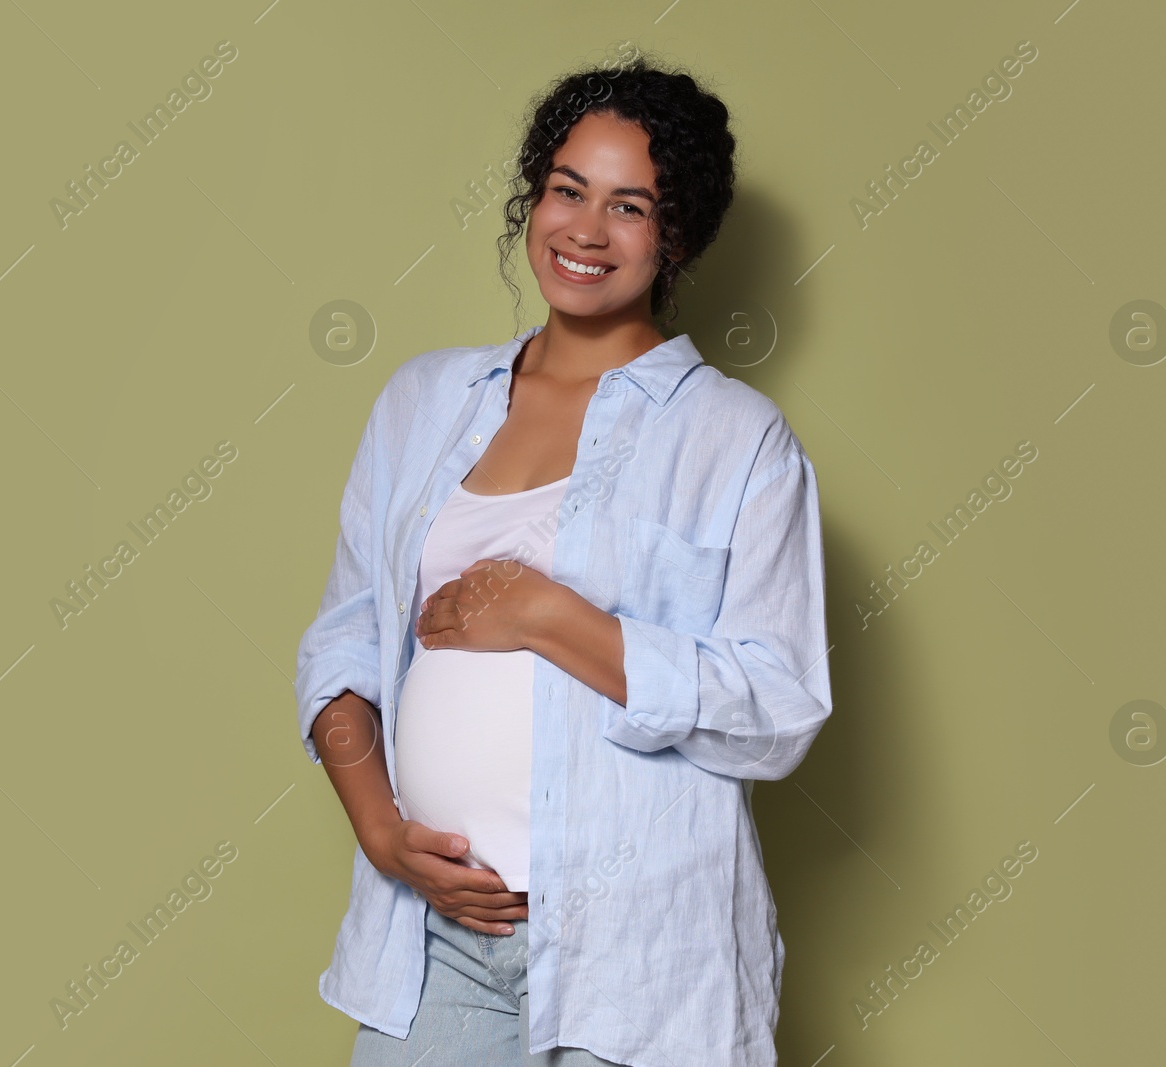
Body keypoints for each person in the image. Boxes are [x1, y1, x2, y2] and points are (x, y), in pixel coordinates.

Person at [294, 48, 833, 1067]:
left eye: (629, 206)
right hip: (433, 944)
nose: (585, 230)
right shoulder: (423, 402)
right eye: (566, 190)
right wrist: (380, 830)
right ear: (532, 200)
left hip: (644, 954)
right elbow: (341, 644)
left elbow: (776, 709)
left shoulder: (735, 439)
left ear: (676, 237)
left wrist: (548, 614)